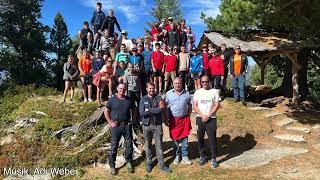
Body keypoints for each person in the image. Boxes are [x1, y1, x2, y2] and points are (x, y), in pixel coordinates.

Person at [104, 83, 137, 175]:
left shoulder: (129, 100)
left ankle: (129, 162)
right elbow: (106, 111)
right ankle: (112, 166)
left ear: (125, 89)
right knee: (114, 146)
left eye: (124, 88)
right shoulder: (112, 100)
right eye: (120, 88)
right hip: (116, 127)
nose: (122, 90)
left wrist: (133, 120)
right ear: (117, 89)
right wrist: (110, 122)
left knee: (129, 145)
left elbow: (134, 109)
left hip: (127, 126)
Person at [139, 82, 172, 173]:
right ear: (146, 89)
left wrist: (148, 110)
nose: (151, 90)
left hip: (157, 125)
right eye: (150, 88)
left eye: (153, 88)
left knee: (159, 146)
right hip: (146, 126)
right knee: (148, 145)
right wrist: (155, 110)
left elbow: (160, 109)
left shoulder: (159, 98)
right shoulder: (143, 99)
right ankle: (149, 163)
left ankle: (162, 165)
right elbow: (142, 113)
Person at [193, 75, 220, 168]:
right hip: (200, 118)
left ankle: (213, 158)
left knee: (212, 139)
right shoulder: (197, 92)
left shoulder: (214, 91)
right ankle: (202, 156)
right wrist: (202, 115)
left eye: (206, 81)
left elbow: (217, 105)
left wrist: (208, 115)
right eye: (203, 82)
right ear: (201, 82)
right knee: (200, 138)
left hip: (211, 119)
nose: (205, 83)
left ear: (209, 82)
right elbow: (195, 105)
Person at [165, 77, 192, 165]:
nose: (177, 85)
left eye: (179, 83)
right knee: (175, 140)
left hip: (184, 119)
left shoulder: (187, 93)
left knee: (185, 139)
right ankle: (176, 156)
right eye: (175, 83)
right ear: (173, 84)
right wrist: (166, 118)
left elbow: (190, 104)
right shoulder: (168, 94)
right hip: (173, 120)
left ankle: (185, 156)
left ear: (182, 83)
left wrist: (189, 114)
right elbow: (165, 107)